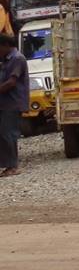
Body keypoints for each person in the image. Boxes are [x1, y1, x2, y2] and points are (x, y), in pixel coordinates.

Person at [0, 32, 27, 177]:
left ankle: (13, 166)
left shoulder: (17, 59)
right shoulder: (6, 60)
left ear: (5, 45)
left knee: (9, 134)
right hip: (4, 103)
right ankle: (7, 165)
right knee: (3, 134)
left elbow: (11, 82)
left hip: (12, 103)